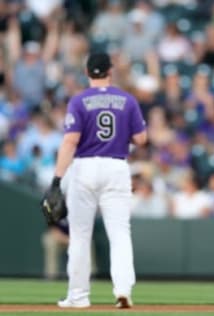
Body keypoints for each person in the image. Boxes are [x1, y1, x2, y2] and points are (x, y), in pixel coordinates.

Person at [49, 52, 147, 308]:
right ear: (110, 71)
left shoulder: (80, 100)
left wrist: (57, 180)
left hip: (85, 167)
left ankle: (78, 296)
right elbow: (141, 139)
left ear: (87, 72)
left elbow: (70, 141)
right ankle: (123, 290)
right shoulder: (127, 100)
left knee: (80, 235)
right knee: (120, 234)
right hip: (116, 166)